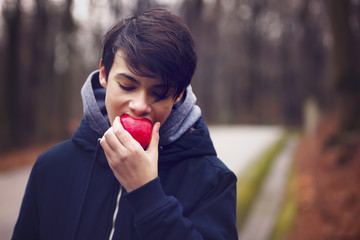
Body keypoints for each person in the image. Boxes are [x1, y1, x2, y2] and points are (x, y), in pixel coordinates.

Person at [12, 8, 238, 240]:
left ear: (178, 95)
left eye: (158, 93)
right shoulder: (51, 168)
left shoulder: (214, 181)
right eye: (127, 86)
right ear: (104, 74)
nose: (140, 105)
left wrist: (148, 195)